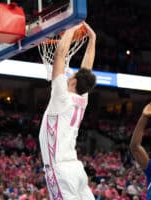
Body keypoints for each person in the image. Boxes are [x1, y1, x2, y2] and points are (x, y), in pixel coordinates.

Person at [39, 22, 96, 200]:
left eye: (70, 75)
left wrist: (70, 27)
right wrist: (92, 40)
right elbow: (86, 69)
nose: (68, 74)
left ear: (72, 82)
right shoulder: (82, 98)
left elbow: (59, 55)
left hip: (60, 169)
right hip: (75, 169)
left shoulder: (61, 97)